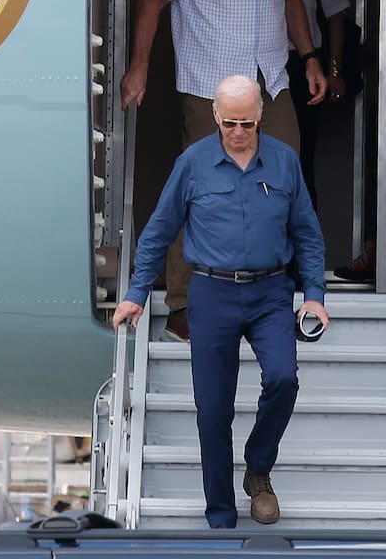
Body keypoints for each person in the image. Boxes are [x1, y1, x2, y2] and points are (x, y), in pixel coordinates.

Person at [119, 0, 328, 342]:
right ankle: (182, 306)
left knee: (284, 179)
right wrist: (140, 64)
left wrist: (311, 57)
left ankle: (278, 291)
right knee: (200, 189)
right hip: (210, 83)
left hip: (270, 80)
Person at [112, 75, 330, 529]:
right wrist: (136, 294)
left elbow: (307, 235)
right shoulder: (193, 163)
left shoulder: (285, 162)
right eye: (229, 122)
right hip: (211, 293)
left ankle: (257, 465)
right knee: (213, 409)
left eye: (246, 123)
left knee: (284, 379)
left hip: (271, 292)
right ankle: (221, 519)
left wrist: (314, 297)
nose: (237, 131)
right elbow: (158, 230)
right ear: (215, 116)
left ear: (260, 117)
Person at [273, 0, 353, 210]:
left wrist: (332, 70)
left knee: (300, 158)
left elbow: (335, 14)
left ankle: (302, 257)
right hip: (259, 63)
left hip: (302, 63)